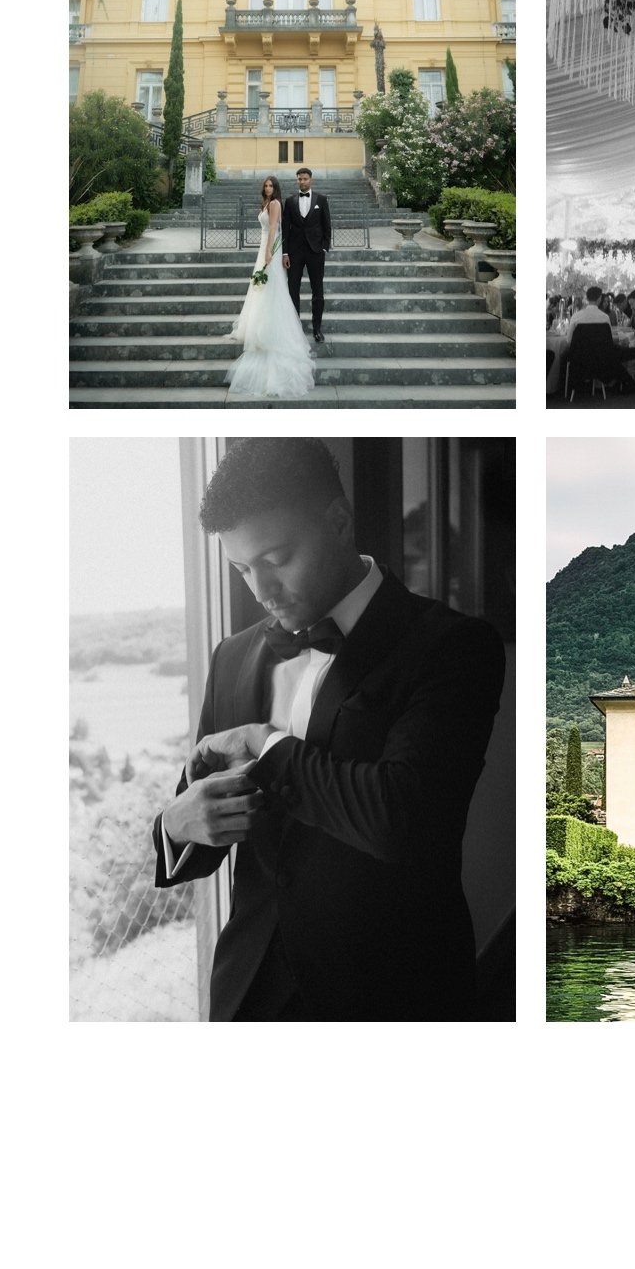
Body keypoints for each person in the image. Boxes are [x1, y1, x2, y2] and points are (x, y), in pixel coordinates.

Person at [151, 438, 506, 1020]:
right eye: (242, 569)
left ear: (339, 521)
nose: (262, 591)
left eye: (277, 558)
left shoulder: (454, 647)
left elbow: (402, 821)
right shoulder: (232, 657)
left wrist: (264, 745)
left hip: (396, 995)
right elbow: (210, 807)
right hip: (252, 993)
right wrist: (177, 823)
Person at [226, 177, 314, 399]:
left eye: (271, 186)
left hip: (269, 250)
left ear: (276, 189)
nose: (267, 189)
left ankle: (270, 326)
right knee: (259, 288)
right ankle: (255, 324)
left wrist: (268, 252)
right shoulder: (264, 204)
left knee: (271, 286)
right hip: (263, 249)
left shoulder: (275, 204)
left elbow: (274, 227)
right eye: (265, 186)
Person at [283, 165, 332, 345]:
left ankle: (317, 328)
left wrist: (325, 247)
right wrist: (285, 252)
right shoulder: (289, 201)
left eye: (305, 179)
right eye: (299, 179)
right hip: (294, 253)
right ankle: (295, 329)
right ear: (297, 180)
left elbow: (327, 225)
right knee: (292, 290)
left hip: (315, 252)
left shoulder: (321, 199)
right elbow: (285, 229)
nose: (302, 181)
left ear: (310, 180)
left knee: (317, 291)